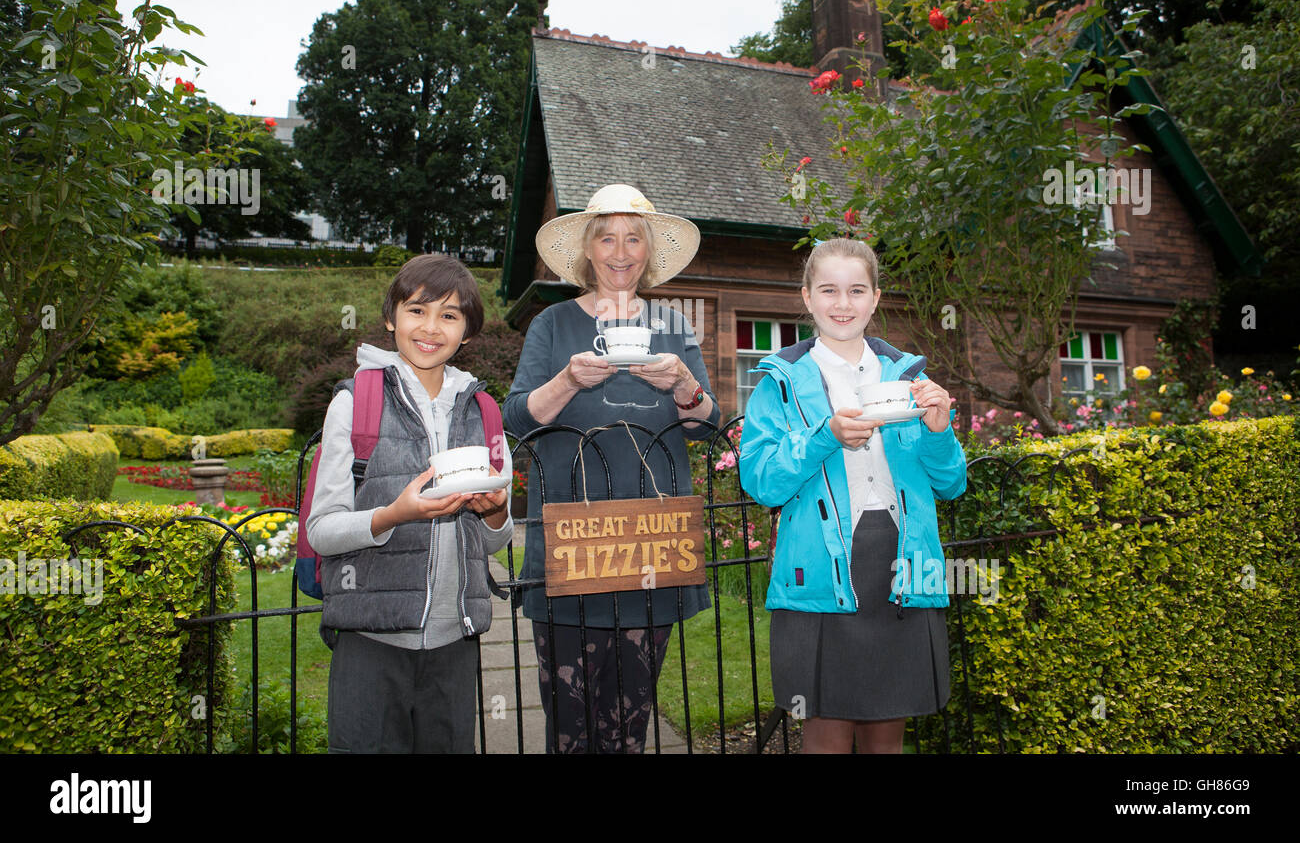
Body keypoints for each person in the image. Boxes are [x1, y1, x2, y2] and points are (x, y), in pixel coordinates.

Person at [504, 183, 720, 753]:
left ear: (648, 253)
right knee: (569, 729)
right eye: (607, 238)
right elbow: (516, 420)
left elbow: (705, 424)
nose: (620, 252)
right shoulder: (552, 326)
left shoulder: (674, 326)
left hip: (651, 541)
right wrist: (568, 380)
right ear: (588, 250)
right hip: (571, 546)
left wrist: (683, 384)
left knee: (630, 724)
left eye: (633, 239)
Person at [738, 237, 967, 753]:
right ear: (807, 297)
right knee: (825, 735)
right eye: (829, 290)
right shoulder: (780, 383)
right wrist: (826, 437)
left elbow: (952, 483)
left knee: (886, 735)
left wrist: (938, 430)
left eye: (856, 290)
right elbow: (761, 482)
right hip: (819, 569)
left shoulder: (909, 377)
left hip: (903, 564)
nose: (843, 304)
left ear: (876, 298)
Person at [306, 254, 512, 753]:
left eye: (449, 315)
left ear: (467, 331)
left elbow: (497, 539)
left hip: (454, 642)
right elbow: (322, 530)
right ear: (391, 317)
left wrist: (495, 510)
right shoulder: (356, 402)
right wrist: (394, 515)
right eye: (417, 310)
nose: (431, 328)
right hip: (370, 640)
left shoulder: (483, 408)